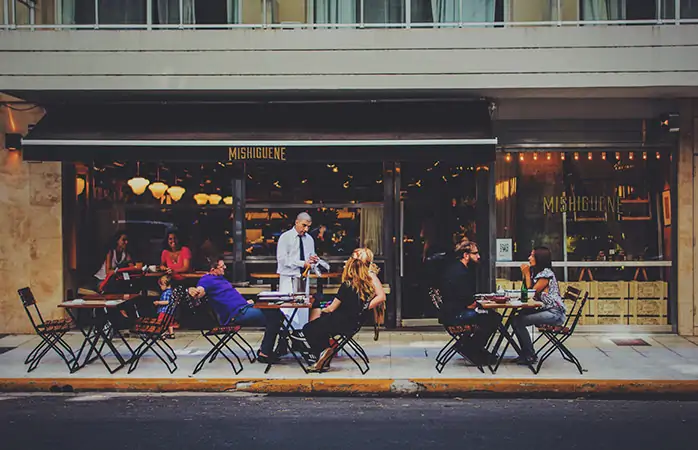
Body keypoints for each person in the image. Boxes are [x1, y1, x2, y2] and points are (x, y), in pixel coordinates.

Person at [301, 248, 386, 372]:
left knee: (310, 327)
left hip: (343, 322)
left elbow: (331, 308)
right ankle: (324, 357)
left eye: (354, 257)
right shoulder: (362, 280)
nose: (349, 260)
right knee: (321, 325)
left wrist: (322, 309)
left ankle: (323, 353)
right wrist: (363, 307)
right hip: (354, 322)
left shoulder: (351, 283)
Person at [188, 257, 284, 363]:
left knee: (276, 312)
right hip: (236, 314)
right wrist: (193, 291)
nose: (225, 267)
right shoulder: (206, 279)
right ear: (212, 269)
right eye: (221, 266)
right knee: (274, 317)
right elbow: (200, 291)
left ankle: (275, 348)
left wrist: (246, 302)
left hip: (244, 307)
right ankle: (265, 353)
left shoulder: (221, 278)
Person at [439, 240, 500, 365]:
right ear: (466, 255)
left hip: (451, 312)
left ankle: (471, 348)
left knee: (490, 317)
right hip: (456, 315)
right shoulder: (461, 273)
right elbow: (469, 303)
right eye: (475, 253)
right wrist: (482, 304)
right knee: (493, 319)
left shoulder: (455, 269)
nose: (479, 257)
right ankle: (471, 349)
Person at [512, 247, 567, 365]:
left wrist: (526, 274)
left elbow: (530, 293)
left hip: (554, 313)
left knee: (519, 321)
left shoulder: (546, 275)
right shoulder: (539, 273)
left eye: (532, 256)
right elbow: (528, 292)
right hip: (546, 310)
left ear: (539, 258)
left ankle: (529, 354)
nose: (529, 258)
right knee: (516, 319)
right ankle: (526, 353)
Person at [276, 212, 318, 328]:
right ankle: (285, 339)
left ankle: (300, 339)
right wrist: (302, 263)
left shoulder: (309, 239)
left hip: (303, 279)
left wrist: (314, 261)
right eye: (304, 225)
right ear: (297, 222)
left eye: (308, 226)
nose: (306, 229)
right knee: (287, 310)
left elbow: (311, 259)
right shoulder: (285, 237)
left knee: (303, 310)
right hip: (288, 278)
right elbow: (282, 259)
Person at [154, 274, 176, 339]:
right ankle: (171, 333)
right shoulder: (171, 291)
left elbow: (168, 301)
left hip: (164, 311)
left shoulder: (167, 292)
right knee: (169, 323)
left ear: (165, 284)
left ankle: (161, 334)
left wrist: (158, 303)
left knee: (161, 322)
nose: (160, 287)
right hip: (170, 312)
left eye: (161, 285)